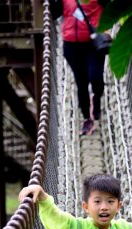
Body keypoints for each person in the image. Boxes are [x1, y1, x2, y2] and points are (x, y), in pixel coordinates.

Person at [51, 0, 106, 135]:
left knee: (96, 77)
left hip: (93, 43)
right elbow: (54, 13)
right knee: (81, 83)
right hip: (71, 45)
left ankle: (96, 97)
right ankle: (87, 119)